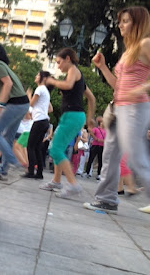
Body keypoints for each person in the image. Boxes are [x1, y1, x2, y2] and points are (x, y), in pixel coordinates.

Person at [84, 7, 150, 226]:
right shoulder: (129, 50)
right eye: (121, 21)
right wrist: (103, 67)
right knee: (109, 155)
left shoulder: (147, 44)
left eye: (126, 21)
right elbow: (119, 85)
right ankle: (106, 200)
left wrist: (141, 88)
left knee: (136, 158)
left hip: (136, 108)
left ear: (138, 23)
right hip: (119, 108)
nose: (121, 25)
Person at [39, 48, 95, 197]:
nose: (58, 66)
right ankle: (57, 181)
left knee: (56, 149)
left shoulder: (73, 70)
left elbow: (68, 85)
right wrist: (89, 118)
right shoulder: (78, 76)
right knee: (59, 147)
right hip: (73, 116)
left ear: (68, 59)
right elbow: (92, 98)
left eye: (59, 62)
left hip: (73, 116)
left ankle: (73, 184)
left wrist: (52, 81)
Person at [0, 44, 29, 181]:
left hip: (16, 103)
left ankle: (14, 162)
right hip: (22, 104)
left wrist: (1, 104)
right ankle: (3, 172)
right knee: (8, 137)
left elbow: (8, 84)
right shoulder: (1, 65)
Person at [22, 71, 53, 180]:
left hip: (39, 121)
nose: (36, 77)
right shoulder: (46, 91)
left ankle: (31, 171)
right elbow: (50, 108)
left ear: (43, 78)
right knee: (37, 148)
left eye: (38, 75)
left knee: (30, 146)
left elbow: (31, 104)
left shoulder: (40, 89)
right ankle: (39, 172)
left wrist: (28, 96)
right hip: (44, 121)